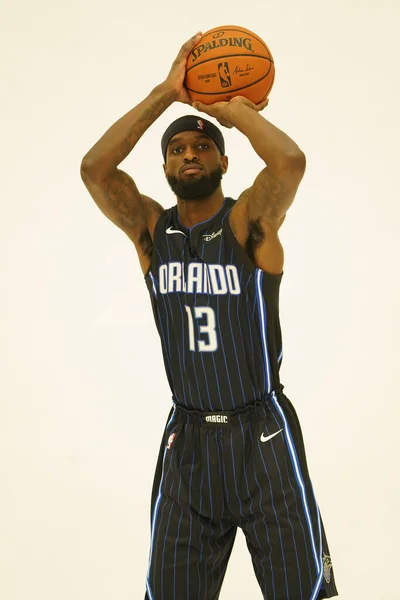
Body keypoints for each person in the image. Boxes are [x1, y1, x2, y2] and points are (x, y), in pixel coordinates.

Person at [80, 32, 338, 600]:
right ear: (166, 165)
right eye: (177, 149)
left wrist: (236, 109)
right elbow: (96, 169)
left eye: (202, 146)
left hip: (262, 434)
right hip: (189, 440)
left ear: (223, 160)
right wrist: (166, 94)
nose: (190, 154)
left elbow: (289, 161)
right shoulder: (152, 232)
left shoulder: (249, 223)